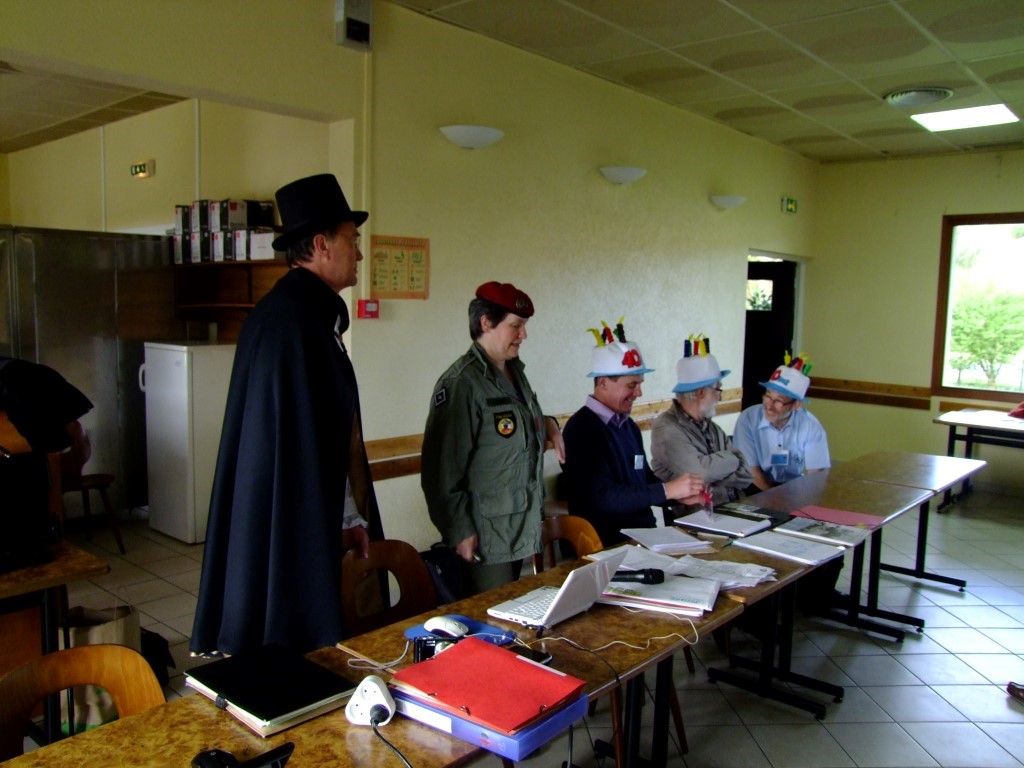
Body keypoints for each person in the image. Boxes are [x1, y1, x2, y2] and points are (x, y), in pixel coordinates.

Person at [191, 174, 383, 657]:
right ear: (321, 244)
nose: (359, 254)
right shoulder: (293, 323)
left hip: (301, 520)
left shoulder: (302, 316)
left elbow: (323, 439)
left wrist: (345, 516)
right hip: (289, 529)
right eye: (353, 240)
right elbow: (302, 452)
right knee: (293, 647)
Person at [421, 282, 564, 597]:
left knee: (516, 611)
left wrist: (550, 425)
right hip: (484, 536)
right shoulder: (462, 383)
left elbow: (518, 428)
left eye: (524, 326)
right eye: (516, 325)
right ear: (486, 323)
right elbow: (441, 471)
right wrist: (459, 530)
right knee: (493, 617)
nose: (523, 334)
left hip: (519, 525)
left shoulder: (514, 373)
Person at [561, 323, 704, 546]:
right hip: (605, 545)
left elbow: (643, 480)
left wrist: (678, 495)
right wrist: (667, 490)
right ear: (603, 383)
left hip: (644, 537)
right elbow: (603, 497)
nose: (639, 392)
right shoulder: (581, 429)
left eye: (640, 384)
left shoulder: (628, 426)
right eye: (631, 385)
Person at [650, 342, 752, 508]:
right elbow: (700, 473)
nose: (720, 397)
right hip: (694, 517)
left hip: (731, 507)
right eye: (718, 390)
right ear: (700, 393)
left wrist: (712, 473)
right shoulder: (666, 428)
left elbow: (746, 475)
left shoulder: (710, 426)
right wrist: (732, 459)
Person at [732, 357, 830, 491]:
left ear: (796, 405)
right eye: (768, 396)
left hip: (794, 488)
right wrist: (775, 498)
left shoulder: (810, 425)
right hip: (755, 486)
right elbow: (750, 469)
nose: (769, 406)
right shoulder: (748, 419)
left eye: (778, 401)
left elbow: (816, 475)